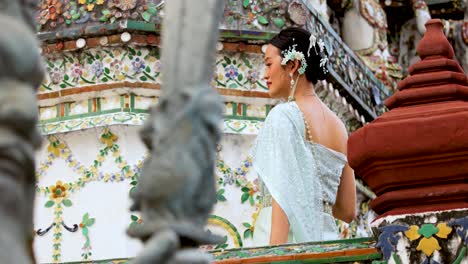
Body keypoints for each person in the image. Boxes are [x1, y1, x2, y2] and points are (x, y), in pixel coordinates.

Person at [251, 27, 356, 246]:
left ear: (293, 65)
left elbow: (283, 199)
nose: (264, 74)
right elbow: (347, 211)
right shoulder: (339, 126)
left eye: (269, 64)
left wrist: (275, 256)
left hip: (286, 246)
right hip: (327, 248)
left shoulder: (283, 116)